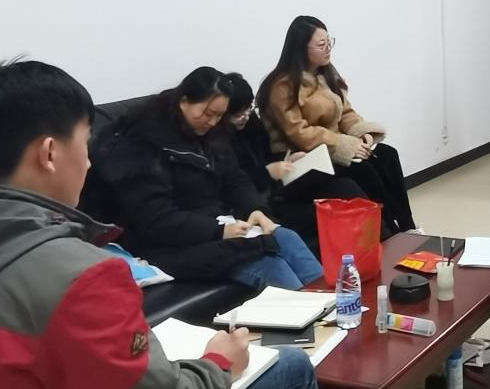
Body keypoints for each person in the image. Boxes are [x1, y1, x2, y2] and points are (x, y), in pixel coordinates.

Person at [0, 60, 325, 389]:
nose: (88, 161)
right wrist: (218, 364)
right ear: (50, 153)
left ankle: (332, 319)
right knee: (291, 369)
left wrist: (250, 210)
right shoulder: (82, 275)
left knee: (281, 237)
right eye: (83, 144)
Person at [92, 67, 323, 289]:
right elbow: (156, 219)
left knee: (285, 236)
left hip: (215, 226)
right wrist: (218, 231)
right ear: (184, 101)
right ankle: (312, 313)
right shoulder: (142, 146)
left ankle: (330, 307)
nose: (212, 122)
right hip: (169, 245)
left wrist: (255, 209)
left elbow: (235, 179)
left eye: (219, 116)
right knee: (270, 264)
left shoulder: (211, 135)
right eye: (208, 114)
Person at [258, 16, 416, 236]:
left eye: (329, 42)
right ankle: (389, 231)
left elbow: (345, 112)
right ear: (301, 48)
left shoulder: (325, 74)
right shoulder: (282, 85)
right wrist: (343, 144)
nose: (328, 49)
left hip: (332, 150)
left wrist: (361, 133)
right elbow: (299, 133)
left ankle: (408, 226)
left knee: (387, 155)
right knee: (365, 169)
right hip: (303, 159)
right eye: (321, 45)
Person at [223, 72, 366, 250]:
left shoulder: (253, 125)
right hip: (261, 201)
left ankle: (380, 240)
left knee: (345, 184)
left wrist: (286, 160)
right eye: (237, 114)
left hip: (279, 186)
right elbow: (236, 183)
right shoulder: (220, 140)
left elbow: (267, 156)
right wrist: (267, 173)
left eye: (248, 109)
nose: (245, 116)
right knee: (329, 211)